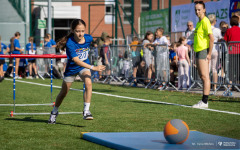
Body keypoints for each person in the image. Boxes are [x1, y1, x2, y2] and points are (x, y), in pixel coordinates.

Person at [48, 19, 105, 124]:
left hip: (84, 67)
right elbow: (77, 61)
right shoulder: (70, 43)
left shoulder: (89, 38)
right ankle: (54, 112)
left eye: (83, 31)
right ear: (73, 30)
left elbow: (93, 44)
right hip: (72, 69)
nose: (80, 33)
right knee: (64, 93)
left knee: (88, 83)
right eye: (78, 31)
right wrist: (93, 67)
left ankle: (86, 111)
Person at [192, 1, 214, 108]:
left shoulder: (205, 21)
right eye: (196, 9)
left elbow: (212, 38)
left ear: (204, 10)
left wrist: (209, 54)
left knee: (205, 77)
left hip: (203, 51)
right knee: (202, 76)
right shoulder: (198, 23)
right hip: (198, 51)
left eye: (199, 9)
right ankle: (203, 100)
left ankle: (205, 102)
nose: (197, 11)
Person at [224, 15, 240, 87]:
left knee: (231, 69)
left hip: (231, 52)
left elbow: (225, 41)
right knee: (238, 69)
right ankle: (237, 85)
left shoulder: (228, 30)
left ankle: (229, 86)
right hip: (239, 52)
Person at [208, 14, 222, 92]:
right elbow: (220, 38)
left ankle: (208, 85)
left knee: (208, 69)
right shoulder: (217, 30)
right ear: (214, 21)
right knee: (214, 69)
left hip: (208, 50)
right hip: (215, 50)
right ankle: (214, 86)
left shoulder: (206, 29)